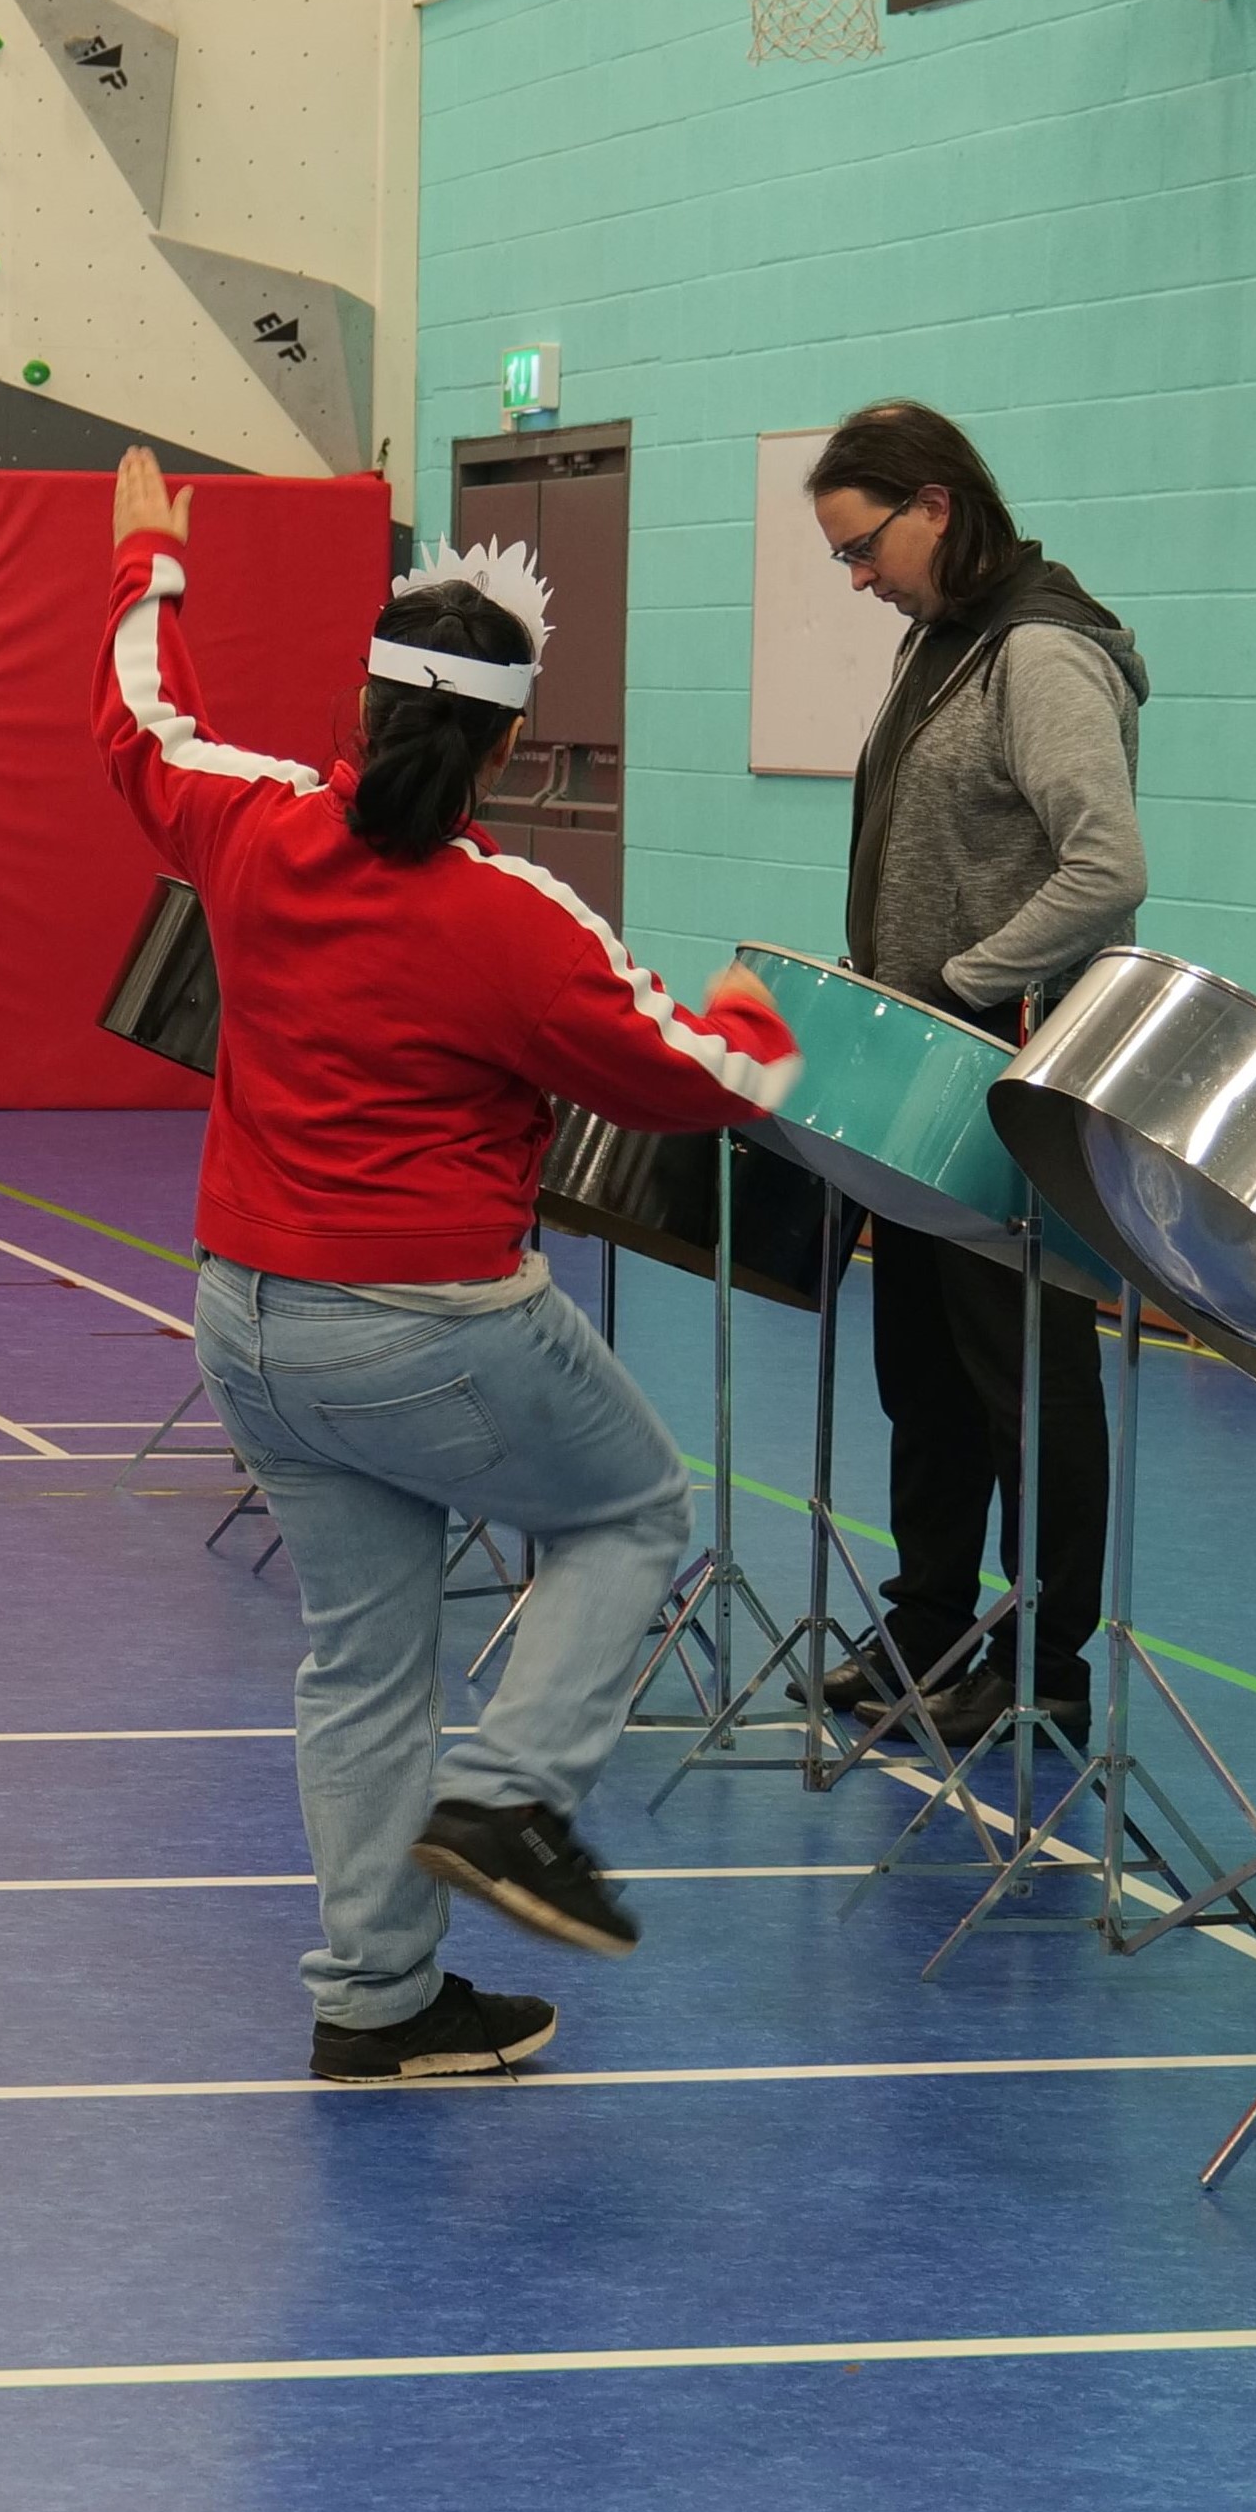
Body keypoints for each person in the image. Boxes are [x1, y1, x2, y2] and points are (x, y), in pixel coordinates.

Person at [99, 450, 804, 2080]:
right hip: (428, 1322)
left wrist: (149, 551)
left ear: (362, 706)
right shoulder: (512, 915)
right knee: (631, 1510)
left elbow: (140, 721)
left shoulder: (255, 828)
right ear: (503, 743)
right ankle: (515, 1788)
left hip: (244, 1322)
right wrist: (754, 1003)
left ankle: (377, 1996)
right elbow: (712, 1078)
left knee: (362, 1648)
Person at [796, 401, 1151, 1748]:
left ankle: (1045, 1660)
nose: (856, 575)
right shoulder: (937, 644)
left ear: (935, 505)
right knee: (925, 1369)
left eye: (862, 545)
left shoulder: (1042, 654)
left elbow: (1107, 867)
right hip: (920, 1069)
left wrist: (962, 978)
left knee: (1026, 1377)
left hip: (1006, 1069)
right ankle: (932, 1621)